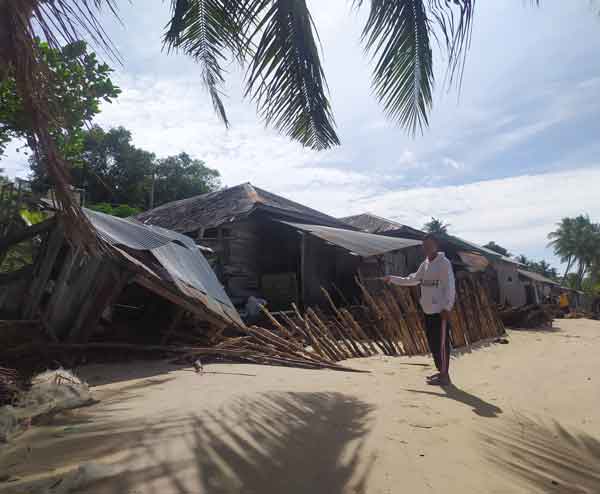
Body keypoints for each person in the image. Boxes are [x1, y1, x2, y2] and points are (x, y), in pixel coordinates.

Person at [384, 234, 456, 386]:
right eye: (425, 245)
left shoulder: (444, 263)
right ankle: (441, 372)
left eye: (430, 245)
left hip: (440, 312)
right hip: (428, 311)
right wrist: (392, 278)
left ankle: (445, 376)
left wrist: (447, 307)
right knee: (433, 344)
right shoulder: (425, 264)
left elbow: (450, 286)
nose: (427, 248)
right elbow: (412, 280)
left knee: (442, 344)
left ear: (436, 245)